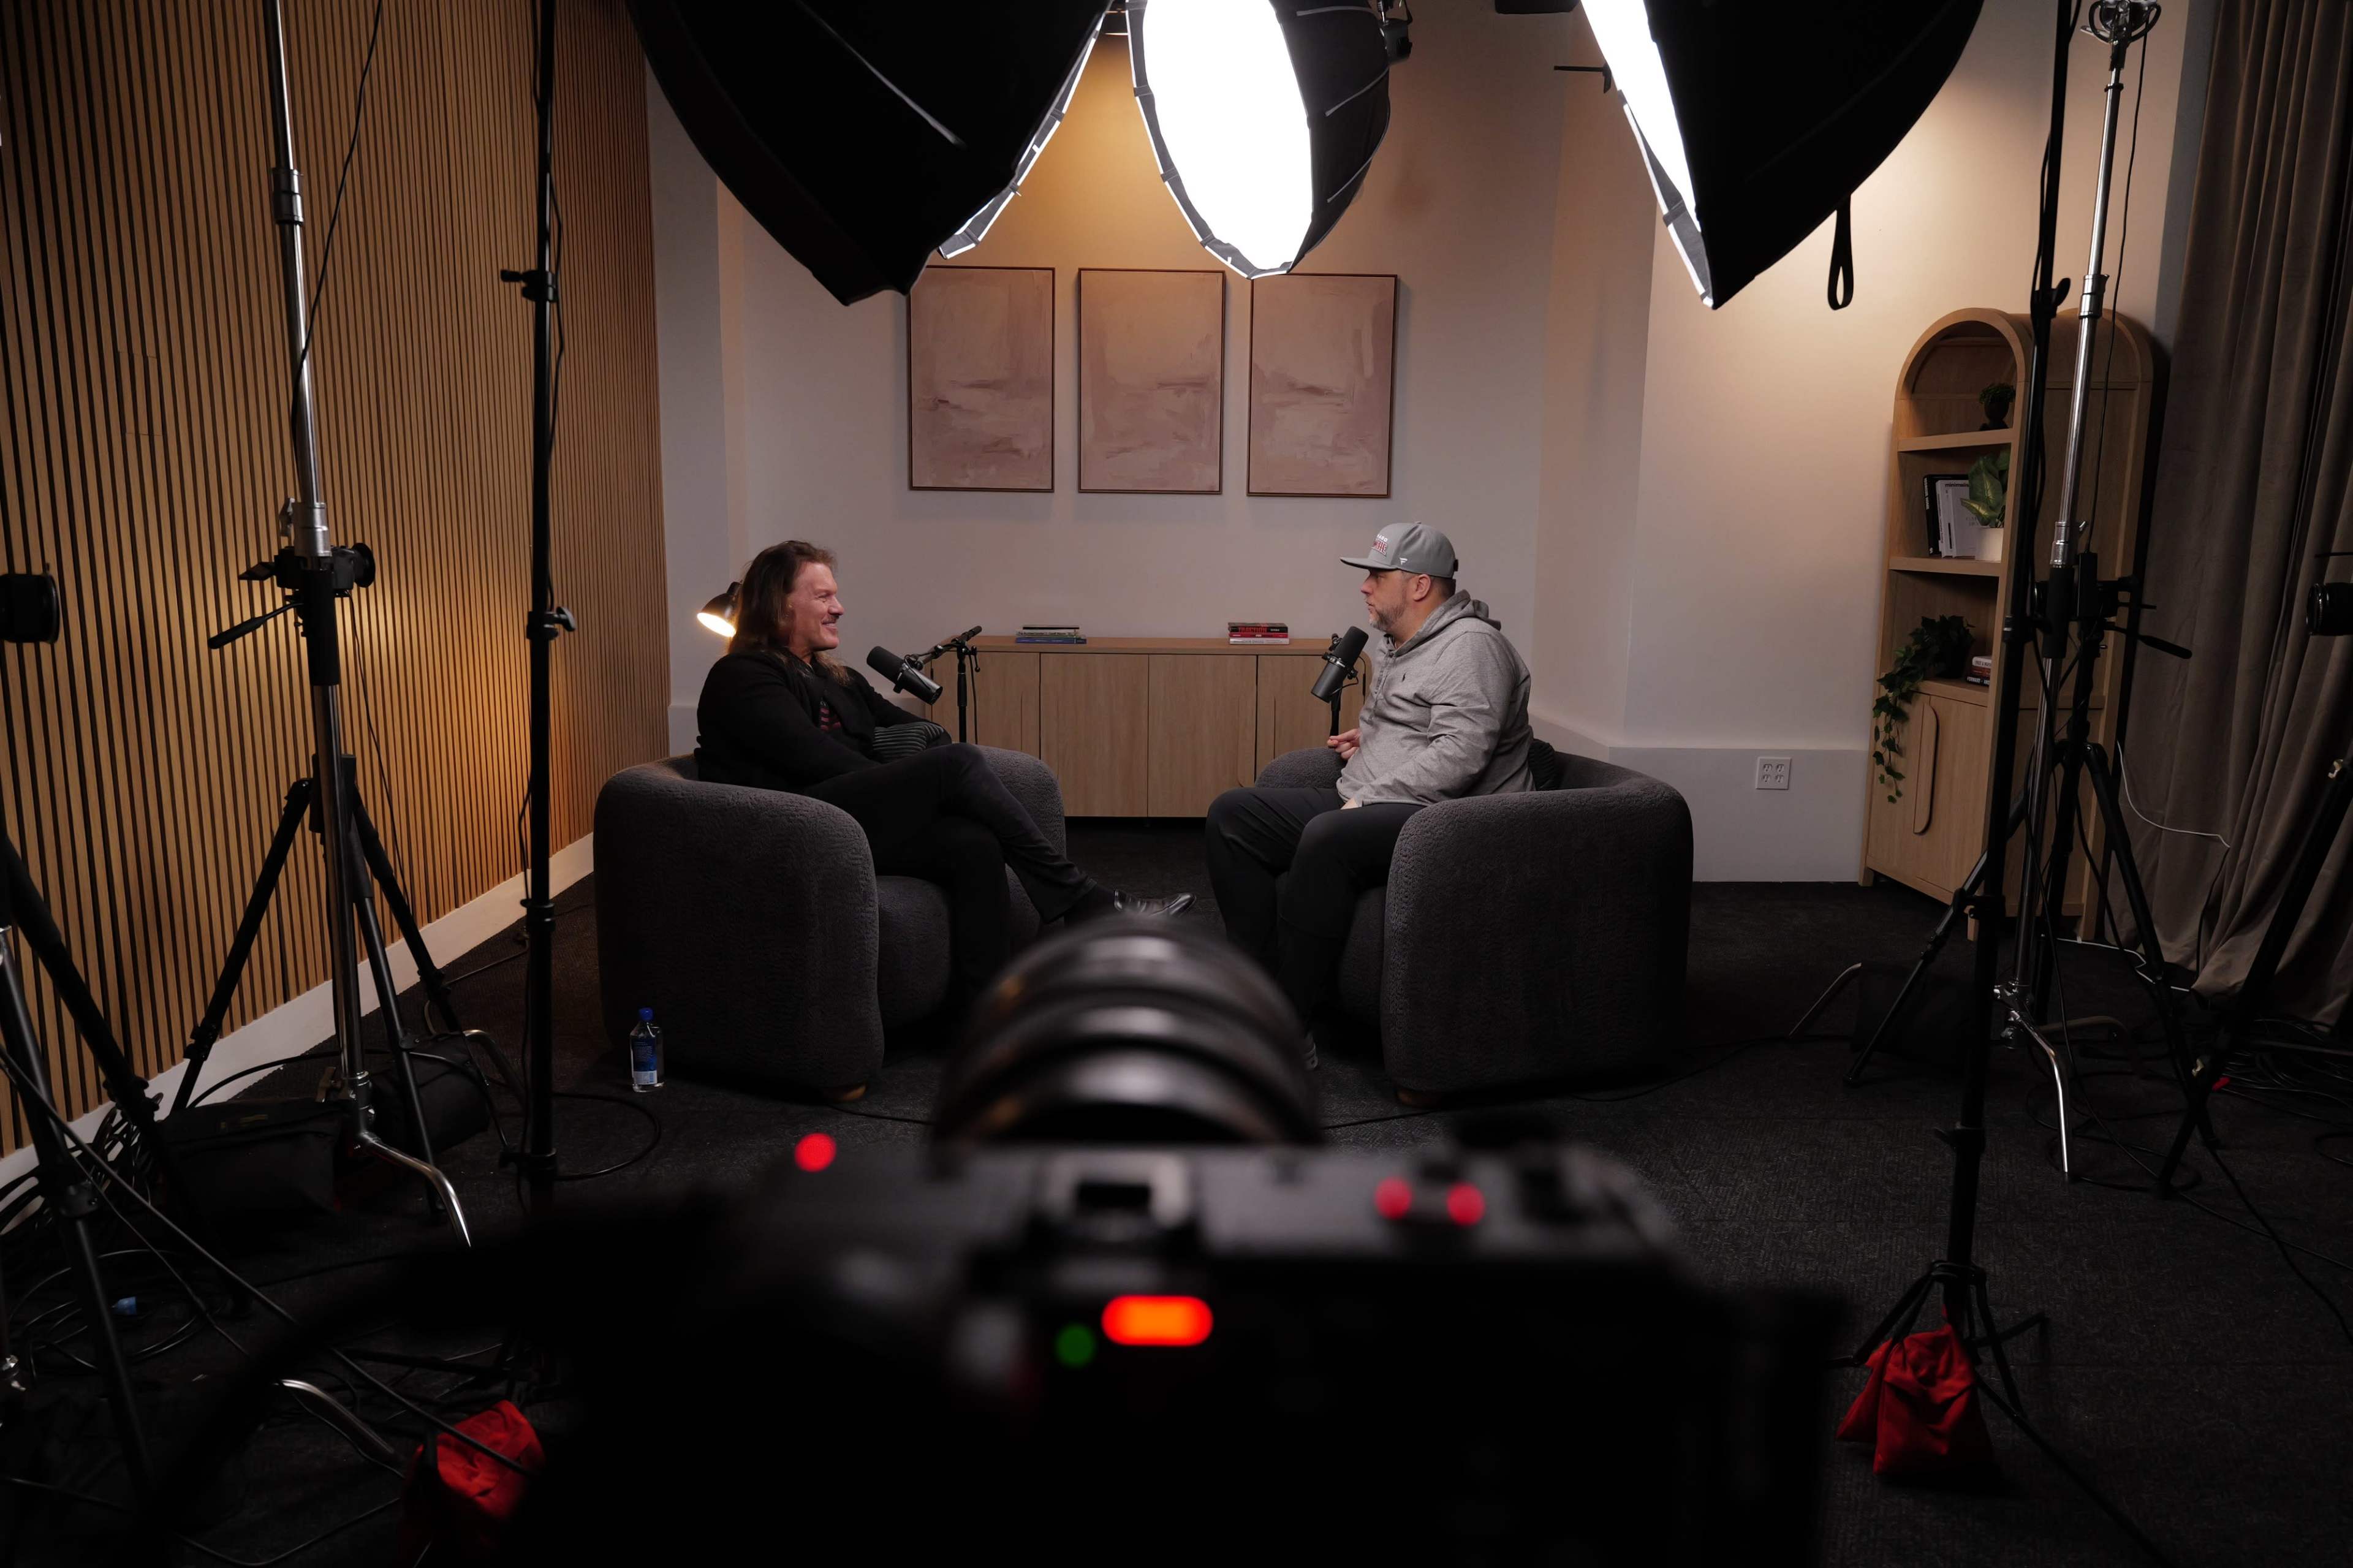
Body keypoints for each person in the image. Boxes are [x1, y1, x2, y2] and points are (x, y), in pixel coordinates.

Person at [695, 541, 1191, 1012]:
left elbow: (920, 729)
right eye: (823, 596)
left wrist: (916, 770)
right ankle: (1085, 901)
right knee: (958, 765)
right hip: (801, 825)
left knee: (972, 842)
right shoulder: (744, 675)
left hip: (851, 813)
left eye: (836, 595)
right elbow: (813, 759)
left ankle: (987, 1012)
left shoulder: (835, 676)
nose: (839, 607)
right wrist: (916, 784)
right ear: (779, 606)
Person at [1204, 524, 1533, 1066]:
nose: (1365, 587)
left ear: (1420, 585)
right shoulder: (1405, 644)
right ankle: (1255, 996)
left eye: (1377, 576)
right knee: (1231, 816)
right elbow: (1421, 723)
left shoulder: (1473, 649)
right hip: (1377, 801)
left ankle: (1289, 1025)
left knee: (1330, 835)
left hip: (1450, 821)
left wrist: (1372, 794)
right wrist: (1374, 738)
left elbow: (1461, 754)